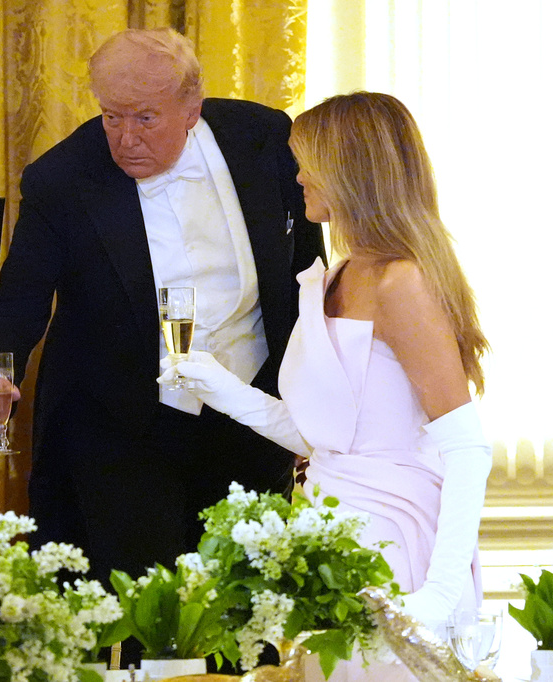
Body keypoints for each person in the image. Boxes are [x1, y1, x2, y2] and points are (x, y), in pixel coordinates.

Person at [0, 27, 324, 591]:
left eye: (145, 118)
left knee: (244, 602)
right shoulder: (62, 178)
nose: (125, 138)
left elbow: (307, 265)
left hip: (251, 409)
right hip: (125, 420)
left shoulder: (263, 138)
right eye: (112, 116)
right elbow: (19, 298)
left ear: (192, 107)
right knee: (149, 608)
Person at [164, 92, 491, 674]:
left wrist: (439, 595)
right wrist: (220, 387)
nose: (297, 177)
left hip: (393, 535)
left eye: (306, 162)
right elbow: (326, 435)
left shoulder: (400, 281)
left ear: (349, 169)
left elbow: (468, 447)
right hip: (325, 526)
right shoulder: (339, 273)